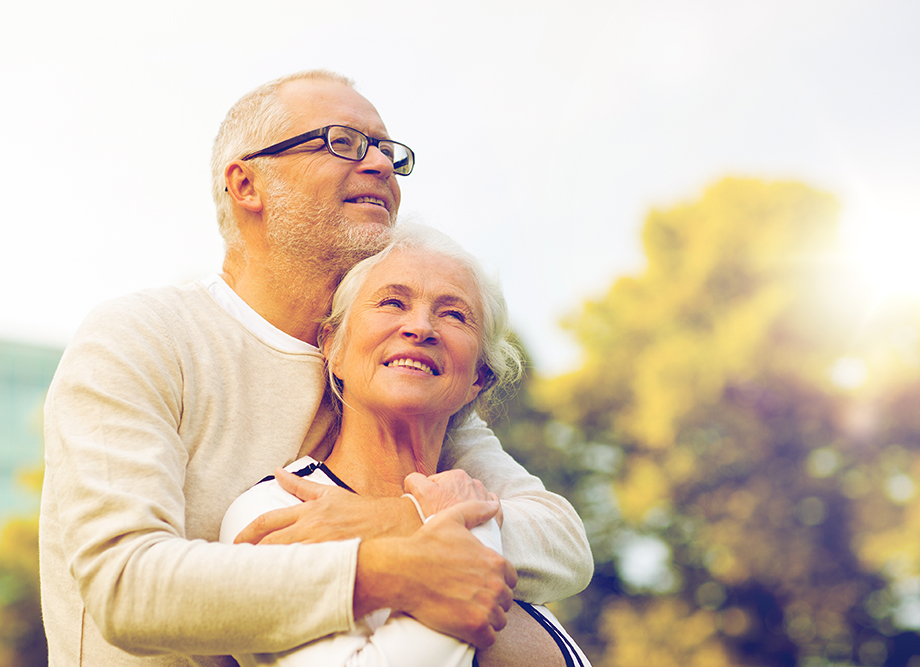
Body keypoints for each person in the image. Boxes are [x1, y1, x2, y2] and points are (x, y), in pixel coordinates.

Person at [39, 70, 593, 667]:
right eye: (342, 141)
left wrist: (397, 518)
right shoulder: (143, 337)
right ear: (247, 183)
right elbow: (127, 587)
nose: (380, 163)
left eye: (386, 149)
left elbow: (559, 542)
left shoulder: (389, 374)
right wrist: (386, 568)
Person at [219, 223, 590, 667]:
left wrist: (423, 519)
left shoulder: (486, 508)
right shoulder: (278, 508)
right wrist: (461, 527)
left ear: (479, 378)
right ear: (333, 346)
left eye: (454, 315)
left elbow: (569, 550)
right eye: (392, 302)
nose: (420, 327)